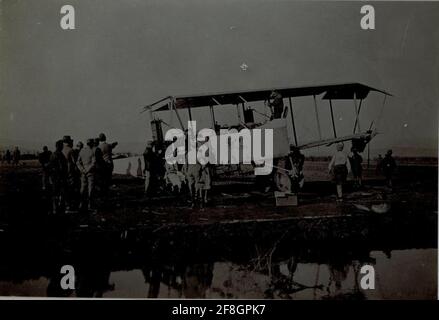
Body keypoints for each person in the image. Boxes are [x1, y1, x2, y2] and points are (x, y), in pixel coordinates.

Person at [48, 140, 68, 214]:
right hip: (60, 177)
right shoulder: (60, 155)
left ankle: (55, 208)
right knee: (61, 193)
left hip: (54, 177)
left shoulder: (52, 155)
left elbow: (50, 167)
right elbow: (62, 167)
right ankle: (59, 208)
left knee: (55, 193)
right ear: (59, 146)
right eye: (61, 145)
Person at [77, 139, 96, 212]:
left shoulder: (82, 151)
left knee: (82, 188)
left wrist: (83, 170)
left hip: (83, 172)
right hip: (90, 172)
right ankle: (90, 205)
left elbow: (78, 162)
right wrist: (88, 170)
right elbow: (93, 163)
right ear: (91, 144)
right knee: (90, 188)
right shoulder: (92, 151)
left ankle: (81, 204)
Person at [61, 136, 77, 212]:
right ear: (69, 142)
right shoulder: (71, 150)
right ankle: (69, 206)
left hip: (62, 172)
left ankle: (63, 204)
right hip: (70, 172)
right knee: (70, 189)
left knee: (63, 189)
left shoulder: (60, 150)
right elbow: (74, 162)